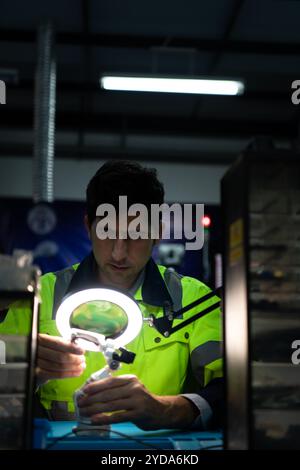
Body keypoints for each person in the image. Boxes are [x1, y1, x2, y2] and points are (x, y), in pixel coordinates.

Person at [1, 160, 223, 431]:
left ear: (157, 233)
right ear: (88, 226)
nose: (119, 252)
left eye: (136, 234)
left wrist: (167, 409)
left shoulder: (192, 299)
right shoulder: (40, 296)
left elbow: (233, 388)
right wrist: (22, 375)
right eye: (108, 232)